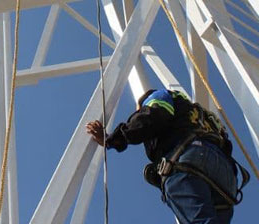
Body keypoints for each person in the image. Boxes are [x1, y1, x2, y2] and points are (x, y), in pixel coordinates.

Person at [86, 88, 246, 224]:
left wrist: (113, 139)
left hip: (190, 160)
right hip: (227, 179)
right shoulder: (203, 115)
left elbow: (152, 116)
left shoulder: (162, 96)